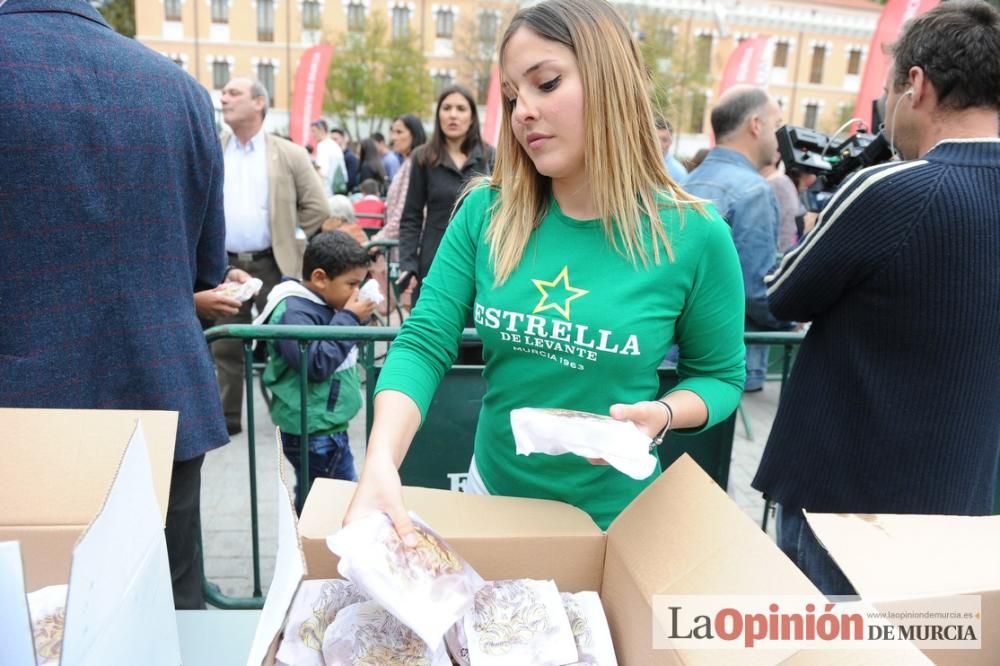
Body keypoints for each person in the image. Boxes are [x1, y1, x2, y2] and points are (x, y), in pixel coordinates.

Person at [343, 0, 746, 538]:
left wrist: (664, 414)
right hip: (494, 506)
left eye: (546, 83)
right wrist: (380, 462)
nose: (522, 111)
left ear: (610, 81)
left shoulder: (696, 236)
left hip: (617, 525)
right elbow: (423, 341)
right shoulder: (486, 212)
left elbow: (719, 376)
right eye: (512, 96)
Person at [753, 0, 1000, 596]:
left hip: (846, 500)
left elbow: (782, 295)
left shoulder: (892, 189)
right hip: (960, 496)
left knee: (825, 645)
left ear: (915, 85)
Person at [0, 0, 227, 609]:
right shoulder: (179, 89)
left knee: (30, 623)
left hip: (23, 420)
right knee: (169, 617)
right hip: (162, 400)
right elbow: (207, 267)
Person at [213, 77, 329, 436]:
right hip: (224, 266)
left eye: (234, 93)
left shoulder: (288, 153)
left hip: (272, 265)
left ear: (259, 103)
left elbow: (317, 207)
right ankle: (226, 420)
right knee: (225, 346)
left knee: (285, 343)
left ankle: (293, 417)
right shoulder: (213, 148)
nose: (224, 97)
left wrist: (290, 237)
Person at [254, 231, 376, 512]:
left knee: (316, 496)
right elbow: (316, 364)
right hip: (313, 429)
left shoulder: (319, 303)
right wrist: (349, 318)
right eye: (352, 284)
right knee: (336, 503)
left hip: (323, 424)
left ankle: (306, 547)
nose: (356, 292)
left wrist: (355, 317)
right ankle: (312, 549)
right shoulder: (292, 312)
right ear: (320, 278)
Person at [684, 86, 794, 392]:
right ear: (756, 125)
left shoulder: (687, 181)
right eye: (777, 125)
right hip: (725, 362)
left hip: (674, 355)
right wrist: (791, 320)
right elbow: (755, 289)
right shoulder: (754, 191)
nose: (779, 138)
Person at [397, 85, 495, 304]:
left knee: (474, 336)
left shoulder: (489, 156)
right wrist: (408, 265)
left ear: (472, 117)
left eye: (461, 108)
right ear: (438, 114)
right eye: (447, 108)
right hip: (434, 261)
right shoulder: (423, 157)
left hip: (479, 263)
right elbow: (411, 217)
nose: (453, 115)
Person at [369, 114, 428, 316]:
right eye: (392, 131)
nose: (393, 137)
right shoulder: (407, 164)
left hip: (412, 254)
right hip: (404, 251)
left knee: (413, 313)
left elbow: (404, 215)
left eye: (399, 131)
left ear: (415, 134)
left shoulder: (414, 165)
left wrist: (375, 241)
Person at [310, 119, 348, 195]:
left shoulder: (323, 146)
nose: (312, 135)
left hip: (327, 192)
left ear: (322, 130)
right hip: (338, 190)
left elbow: (322, 172)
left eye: (313, 131)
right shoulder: (333, 145)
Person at [655, 115, 689, 184]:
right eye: (655, 139)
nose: (659, 144)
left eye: (664, 140)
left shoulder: (679, 173)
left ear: (671, 142)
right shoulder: (639, 165)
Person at [331, 128, 360, 192]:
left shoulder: (350, 157)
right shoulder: (334, 156)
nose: (333, 142)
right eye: (331, 139)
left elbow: (351, 180)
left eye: (335, 139)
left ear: (343, 139)